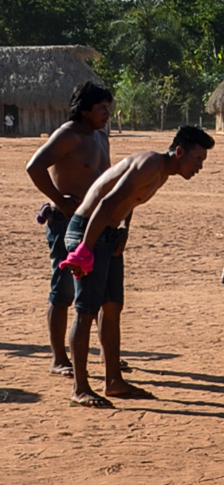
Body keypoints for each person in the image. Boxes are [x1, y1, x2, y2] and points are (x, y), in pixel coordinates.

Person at [57, 125, 214, 406]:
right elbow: (107, 203)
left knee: (112, 306)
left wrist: (124, 230)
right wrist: (84, 250)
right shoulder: (151, 163)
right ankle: (80, 388)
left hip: (108, 234)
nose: (200, 167)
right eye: (198, 159)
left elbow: (128, 202)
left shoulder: (163, 171)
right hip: (88, 233)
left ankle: (113, 381)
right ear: (180, 152)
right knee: (85, 311)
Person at [25, 80, 113, 376]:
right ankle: (59, 358)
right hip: (66, 223)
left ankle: (106, 354)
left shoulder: (101, 137)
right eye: (101, 108)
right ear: (85, 109)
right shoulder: (68, 136)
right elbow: (34, 167)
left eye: (108, 108)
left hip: (98, 222)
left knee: (100, 288)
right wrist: (59, 202)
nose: (107, 114)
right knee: (63, 289)